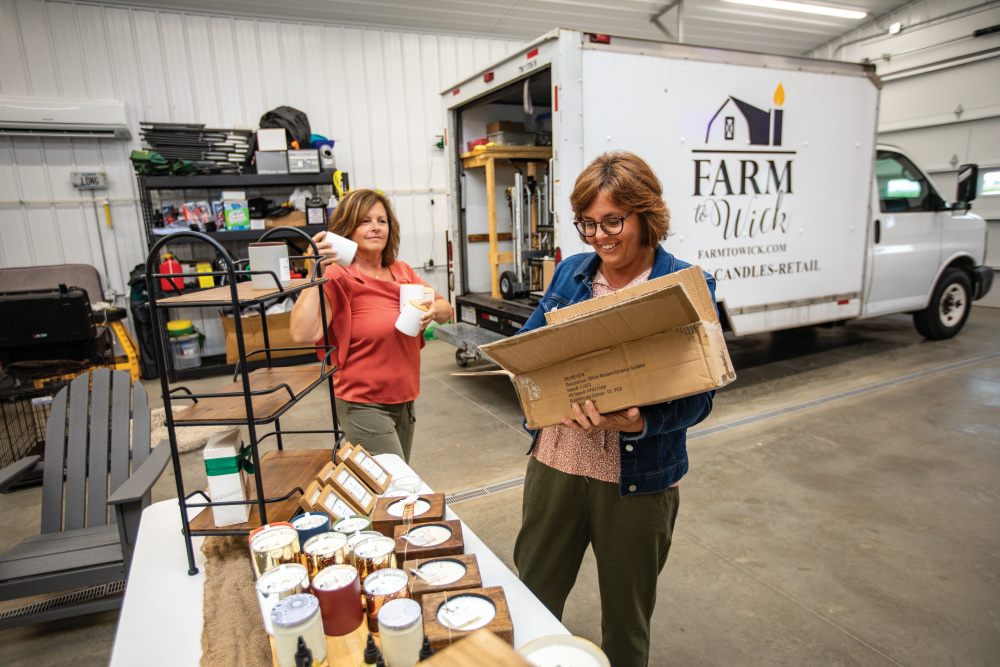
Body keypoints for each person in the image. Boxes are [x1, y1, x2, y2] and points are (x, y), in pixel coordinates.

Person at [512, 152, 716, 667]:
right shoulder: (570, 275)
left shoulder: (686, 287)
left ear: (646, 213)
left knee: (626, 622)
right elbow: (527, 348)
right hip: (557, 464)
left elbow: (702, 394)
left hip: (637, 481)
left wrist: (643, 420)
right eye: (588, 224)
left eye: (612, 221)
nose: (599, 237)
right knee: (532, 600)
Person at [289, 189, 452, 462]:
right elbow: (303, 333)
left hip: (405, 399)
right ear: (347, 229)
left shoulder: (402, 272)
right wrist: (313, 271)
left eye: (382, 220)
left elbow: (446, 311)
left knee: (389, 487)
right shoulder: (338, 276)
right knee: (393, 485)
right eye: (365, 221)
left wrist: (433, 309)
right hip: (363, 403)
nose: (375, 227)